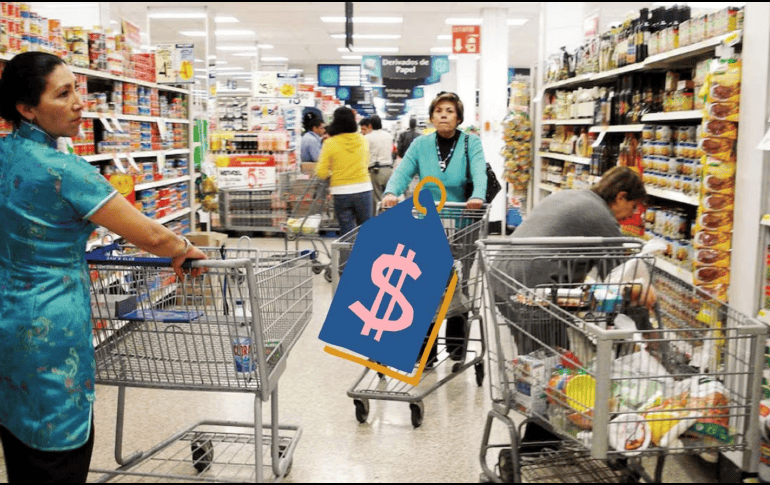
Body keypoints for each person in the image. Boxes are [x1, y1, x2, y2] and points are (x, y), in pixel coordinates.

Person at [0, 52, 208, 483]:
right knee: (58, 451)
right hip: (51, 330)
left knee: (17, 437)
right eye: (64, 93)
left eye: (78, 88)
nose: (80, 102)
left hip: (6, 319)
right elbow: (152, 236)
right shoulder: (65, 170)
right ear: (26, 108)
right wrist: (185, 247)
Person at [491, 166, 649, 354]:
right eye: (633, 207)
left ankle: (531, 380)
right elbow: (621, 279)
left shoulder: (568, 196)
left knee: (537, 358)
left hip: (501, 277)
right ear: (620, 197)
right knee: (552, 364)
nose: (632, 215)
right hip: (532, 290)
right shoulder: (603, 218)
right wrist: (647, 325)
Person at [382, 92, 487, 365]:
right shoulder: (420, 144)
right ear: (431, 117)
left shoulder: (470, 143)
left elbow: (479, 172)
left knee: (459, 282)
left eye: (450, 110)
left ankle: (456, 348)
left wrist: (477, 196)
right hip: (427, 219)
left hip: (463, 219)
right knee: (423, 282)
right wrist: (392, 191)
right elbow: (403, 171)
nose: (443, 115)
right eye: (439, 110)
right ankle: (424, 352)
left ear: (459, 117)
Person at [316, 106, 373, 237]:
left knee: (347, 233)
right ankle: (368, 256)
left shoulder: (330, 143)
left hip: (341, 191)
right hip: (363, 188)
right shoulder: (362, 140)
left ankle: (347, 257)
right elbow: (366, 163)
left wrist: (332, 173)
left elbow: (321, 172)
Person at [365, 115, 394, 207]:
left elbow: (365, 154)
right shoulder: (389, 136)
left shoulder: (367, 137)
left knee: (377, 199)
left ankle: (379, 218)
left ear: (370, 125)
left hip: (375, 171)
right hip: (389, 169)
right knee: (388, 198)